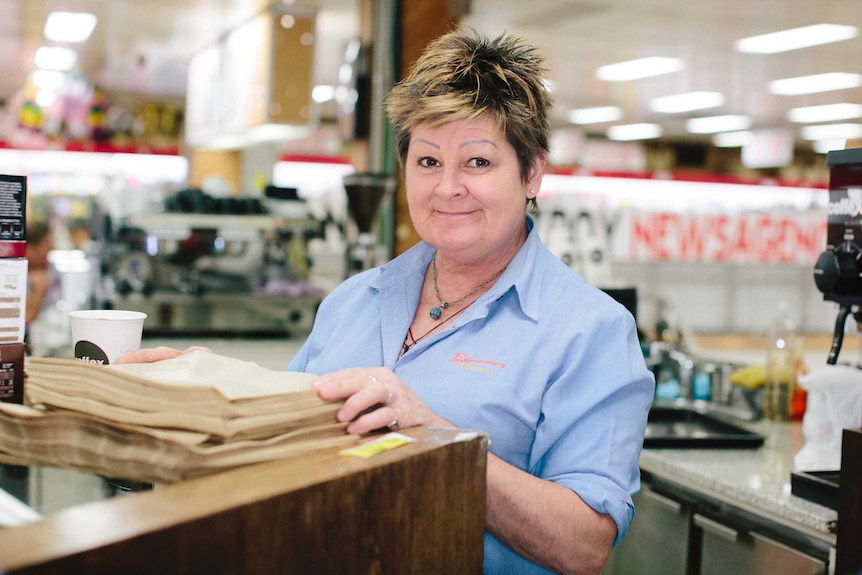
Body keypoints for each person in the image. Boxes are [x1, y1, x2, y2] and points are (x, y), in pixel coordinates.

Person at [121, 27, 654, 574]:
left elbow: (584, 545)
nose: (447, 188)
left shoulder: (592, 331)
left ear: (532, 172)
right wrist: (198, 393)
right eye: (427, 162)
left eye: (478, 162)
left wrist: (432, 439)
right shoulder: (355, 299)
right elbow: (283, 444)